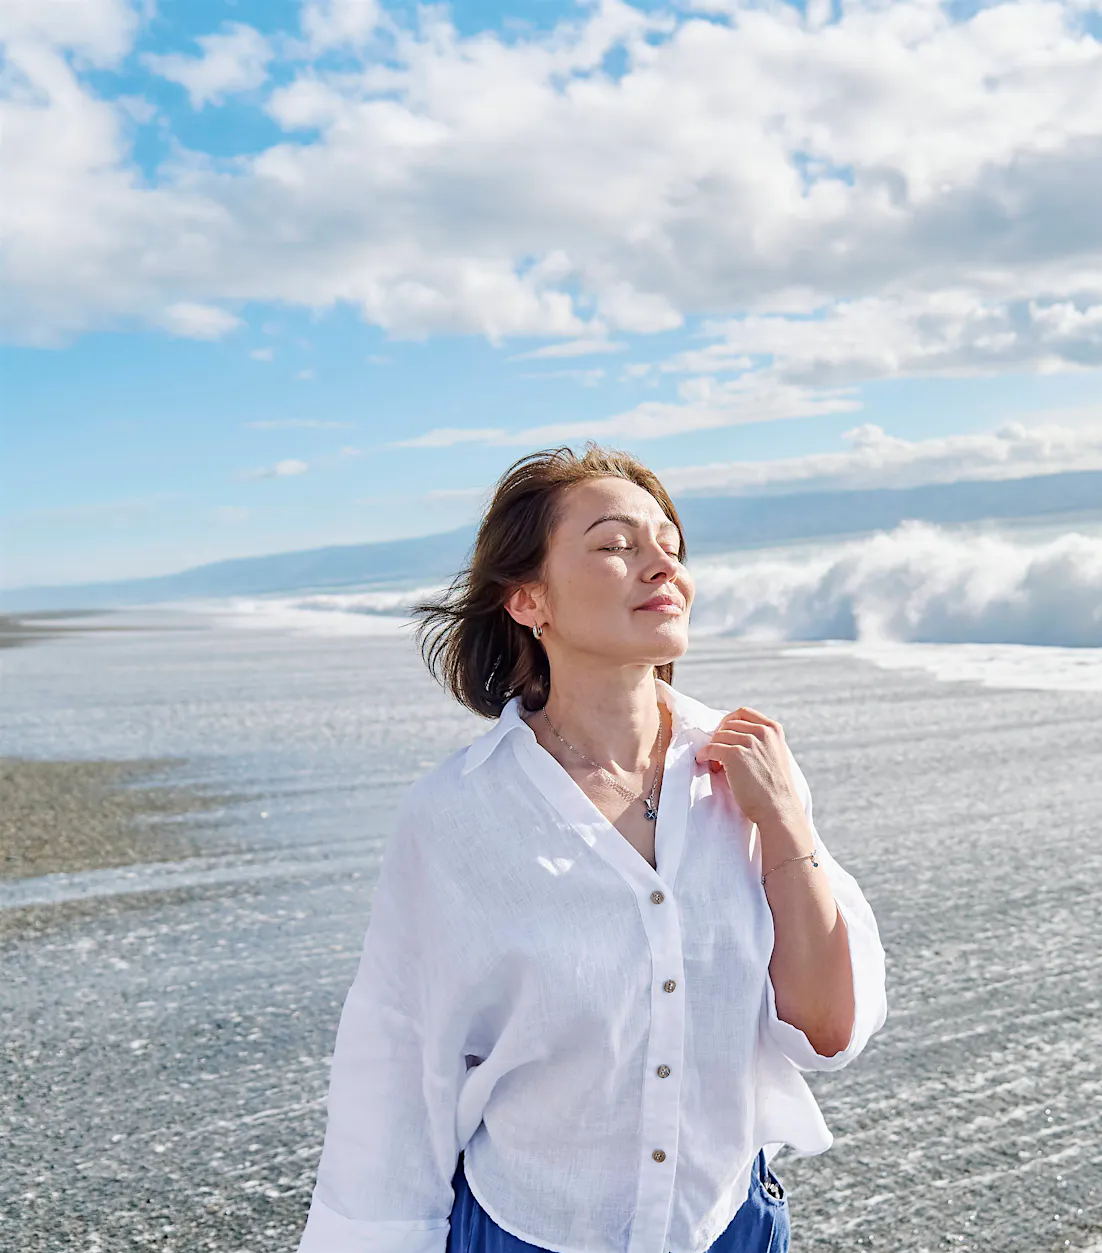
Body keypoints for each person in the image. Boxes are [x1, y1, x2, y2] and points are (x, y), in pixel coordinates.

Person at [294, 444, 889, 1253]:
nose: (661, 566)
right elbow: (400, 1066)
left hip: (729, 1228)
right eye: (617, 545)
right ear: (529, 598)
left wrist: (785, 824)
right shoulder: (457, 814)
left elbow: (825, 1029)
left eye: (671, 547)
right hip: (528, 1228)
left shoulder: (751, 771)